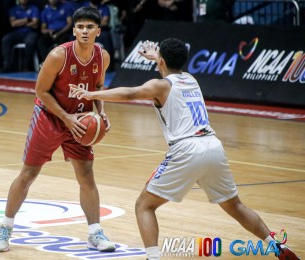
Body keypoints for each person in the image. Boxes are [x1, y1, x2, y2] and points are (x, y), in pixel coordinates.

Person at [71, 38, 300, 260]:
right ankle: (278, 248)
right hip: (212, 146)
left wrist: (92, 94)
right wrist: (157, 59)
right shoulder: (191, 79)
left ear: (161, 62)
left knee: (144, 206)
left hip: (186, 149)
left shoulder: (160, 86)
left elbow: (130, 93)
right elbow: (170, 71)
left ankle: (153, 257)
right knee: (235, 206)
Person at [0, 6, 116, 253]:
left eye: (89, 27)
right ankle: (4, 228)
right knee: (28, 174)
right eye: (80, 26)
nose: (84, 31)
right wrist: (65, 117)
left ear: (98, 31)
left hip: (79, 120)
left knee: (86, 175)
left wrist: (100, 111)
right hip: (49, 117)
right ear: (73, 30)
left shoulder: (102, 56)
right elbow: (41, 91)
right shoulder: (59, 55)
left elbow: (98, 86)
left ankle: (95, 232)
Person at [0, 0, 40, 72]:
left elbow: (35, 24)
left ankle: (26, 66)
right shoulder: (13, 9)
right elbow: (13, 24)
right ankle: (7, 66)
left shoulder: (34, 8)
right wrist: (27, 19)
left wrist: (19, 22)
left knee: (30, 42)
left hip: (30, 32)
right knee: (6, 39)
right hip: (17, 33)